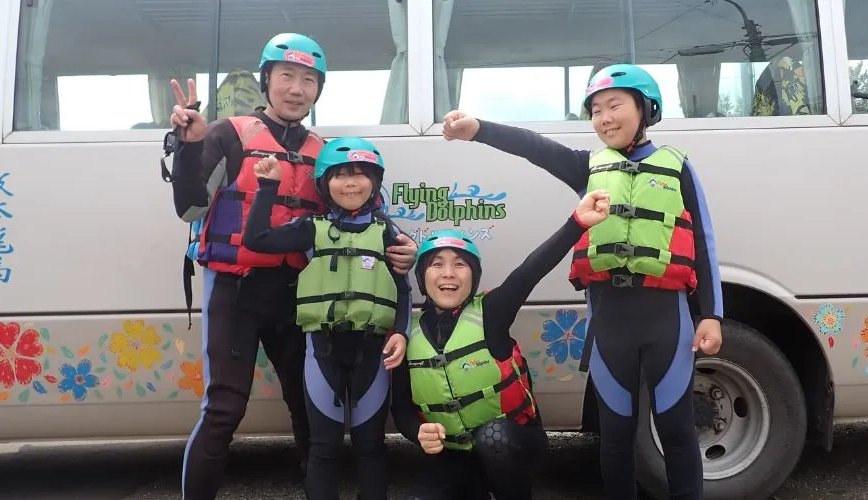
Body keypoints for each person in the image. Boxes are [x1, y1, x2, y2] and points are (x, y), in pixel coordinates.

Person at [440, 63, 724, 500]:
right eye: (596, 110)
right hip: (610, 323)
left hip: (668, 319)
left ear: (645, 109)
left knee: (677, 430)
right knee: (614, 435)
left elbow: (703, 243)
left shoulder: (676, 167)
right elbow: (533, 147)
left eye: (615, 106)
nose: (605, 118)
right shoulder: (586, 167)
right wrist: (478, 128)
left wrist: (712, 316)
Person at [166, 33, 419, 500]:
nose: (296, 89)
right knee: (224, 408)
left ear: (318, 90)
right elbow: (189, 207)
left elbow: (369, 218)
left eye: (308, 80)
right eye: (286, 76)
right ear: (267, 80)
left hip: (297, 296)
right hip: (235, 290)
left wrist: (404, 248)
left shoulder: (325, 152)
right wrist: (187, 146)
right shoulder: (227, 133)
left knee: (307, 410)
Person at [390, 189, 613, 500]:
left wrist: (577, 223)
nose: (448, 274)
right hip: (455, 454)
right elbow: (401, 408)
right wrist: (417, 433)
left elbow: (531, 270)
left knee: (494, 438)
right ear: (423, 276)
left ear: (474, 276)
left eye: (460, 265)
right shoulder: (406, 335)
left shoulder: (492, 312)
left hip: (514, 443)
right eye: (436, 264)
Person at [242, 137, 410, 500]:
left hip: (373, 353)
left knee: (371, 445)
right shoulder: (310, 229)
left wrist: (402, 333)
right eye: (340, 175)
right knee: (324, 447)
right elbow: (255, 239)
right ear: (324, 184)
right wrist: (267, 187)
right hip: (322, 351)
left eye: (360, 174)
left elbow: (404, 290)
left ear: (375, 183)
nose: (351, 183)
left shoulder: (388, 233)